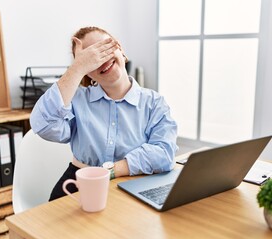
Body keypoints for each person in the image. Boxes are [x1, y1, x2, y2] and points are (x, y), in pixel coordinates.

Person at [30, 26, 178, 201]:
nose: (101, 60)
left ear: (120, 49)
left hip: (133, 182)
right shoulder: (76, 100)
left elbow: (165, 153)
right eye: (90, 59)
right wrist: (76, 69)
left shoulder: (154, 103)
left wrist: (114, 170)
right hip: (79, 182)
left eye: (104, 48)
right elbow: (43, 124)